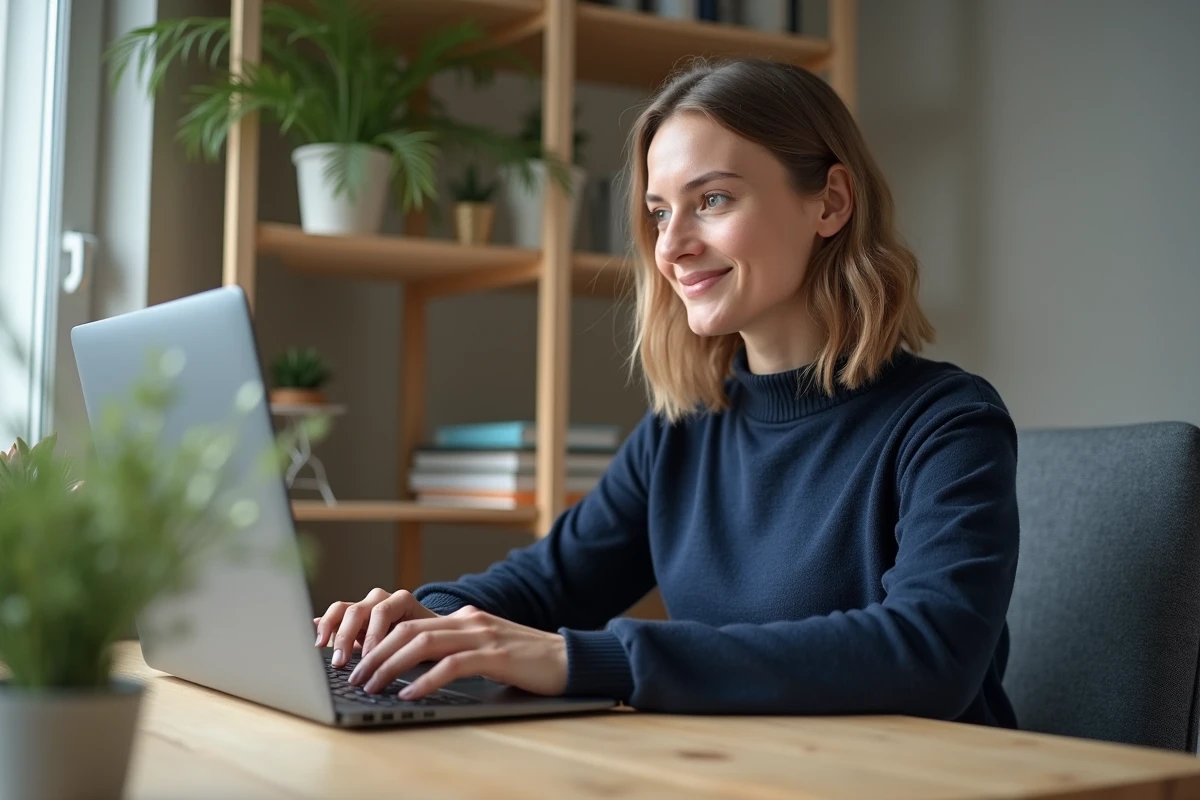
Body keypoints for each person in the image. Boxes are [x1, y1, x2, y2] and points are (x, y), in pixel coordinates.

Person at [313, 57, 1020, 727]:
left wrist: (589, 659)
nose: (670, 246)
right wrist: (425, 619)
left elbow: (931, 652)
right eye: (658, 212)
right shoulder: (683, 429)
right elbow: (546, 584)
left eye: (711, 200)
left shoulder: (948, 423)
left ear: (830, 203)